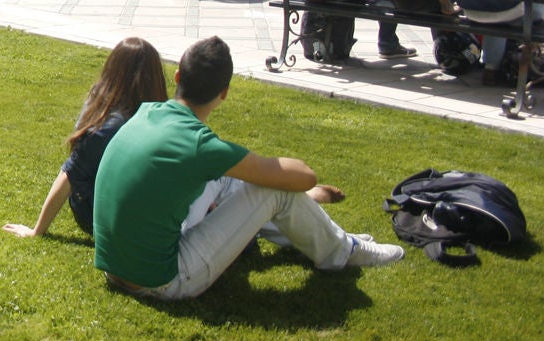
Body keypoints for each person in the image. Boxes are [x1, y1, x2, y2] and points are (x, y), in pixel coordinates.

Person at [93, 37, 403, 300]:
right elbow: (305, 177)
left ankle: (326, 238)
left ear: (177, 77)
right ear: (224, 93)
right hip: (161, 281)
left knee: (229, 178)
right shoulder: (202, 146)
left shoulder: (148, 112)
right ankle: (342, 251)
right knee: (272, 190)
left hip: (115, 270)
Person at [3, 38, 167, 237]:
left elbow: (71, 173)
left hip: (118, 212)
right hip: (120, 212)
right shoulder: (137, 123)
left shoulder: (119, 124)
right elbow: (71, 172)